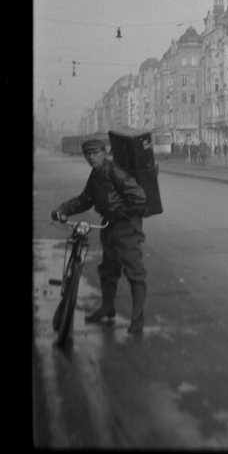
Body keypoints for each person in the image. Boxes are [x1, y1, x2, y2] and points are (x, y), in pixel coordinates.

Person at [50, 138, 149, 335]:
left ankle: (137, 320)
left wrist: (120, 212)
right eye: (88, 154)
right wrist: (63, 210)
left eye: (95, 153)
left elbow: (139, 198)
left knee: (134, 272)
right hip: (109, 226)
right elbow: (85, 199)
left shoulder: (115, 172)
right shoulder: (96, 174)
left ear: (105, 152)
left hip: (126, 227)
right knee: (108, 269)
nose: (91, 157)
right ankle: (107, 308)